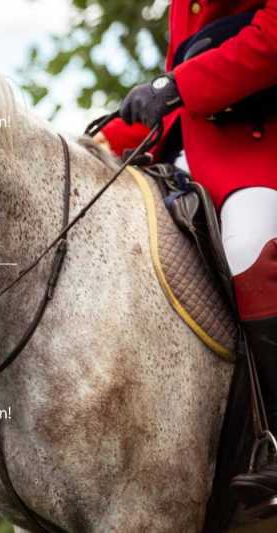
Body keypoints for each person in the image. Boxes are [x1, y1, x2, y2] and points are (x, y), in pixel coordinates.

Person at [94, 0, 277, 516]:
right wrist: (95, 143)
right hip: (189, 148)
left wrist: (178, 84)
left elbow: (268, 40)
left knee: (247, 250)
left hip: (259, 150)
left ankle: (272, 443)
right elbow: (186, 75)